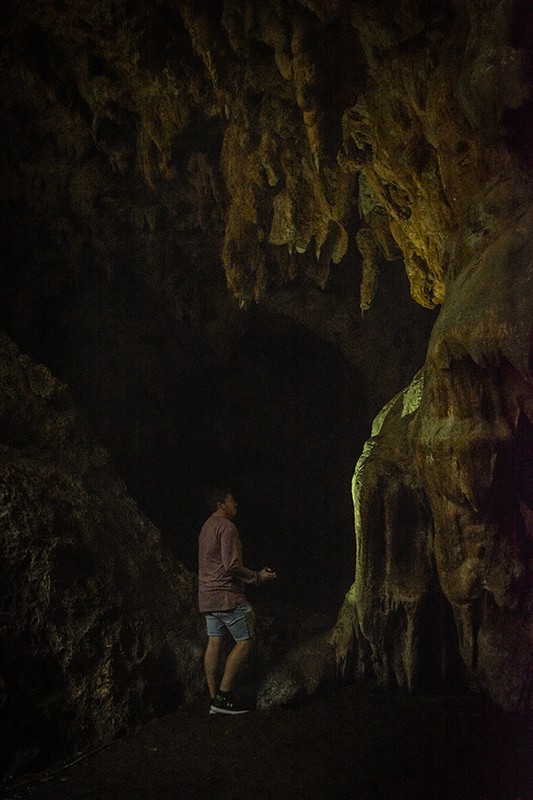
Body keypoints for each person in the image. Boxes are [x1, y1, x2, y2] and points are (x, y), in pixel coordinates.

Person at [198, 488, 277, 715]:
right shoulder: (226, 527)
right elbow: (231, 565)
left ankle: (215, 701)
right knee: (246, 641)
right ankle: (224, 696)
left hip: (207, 596)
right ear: (220, 504)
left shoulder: (206, 527)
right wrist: (257, 577)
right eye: (232, 500)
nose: (236, 504)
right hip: (226, 596)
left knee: (214, 643)